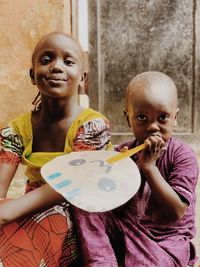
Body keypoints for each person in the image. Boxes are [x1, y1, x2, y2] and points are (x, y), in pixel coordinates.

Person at [0, 32, 112, 266]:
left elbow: (71, 186)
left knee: (47, 225)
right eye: (46, 60)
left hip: (82, 213)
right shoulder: (16, 130)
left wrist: (7, 213)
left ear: (82, 78)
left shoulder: (93, 125)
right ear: (33, 75)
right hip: (31, 208)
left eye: (68, 61)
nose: (56, 67)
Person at [72, 71, 199, 267]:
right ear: (127, 118)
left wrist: (148, 167)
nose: (153, 127)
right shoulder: (123, 153)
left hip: (164, 242)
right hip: (127, 230)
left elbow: (177, 211)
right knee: (86, 204)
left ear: (175, 118)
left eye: (163, 117)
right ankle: (102, 262)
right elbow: (116, 209)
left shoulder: (182, 155)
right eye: (142, 118)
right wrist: (120, 173)